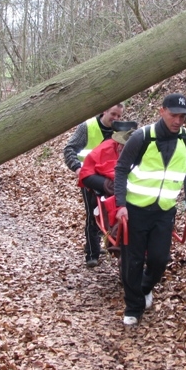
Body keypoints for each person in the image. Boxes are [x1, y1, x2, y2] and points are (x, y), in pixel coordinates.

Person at [114, 93, 186, 326]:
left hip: (164, 211)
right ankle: (133, 307)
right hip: (136, 210)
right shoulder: (142, 137)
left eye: (183, 117)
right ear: (161, 111)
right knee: (132, 260)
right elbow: (121, 170)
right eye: (174, 115)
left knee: (159, 259)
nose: (178, 121)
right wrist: (120, 205)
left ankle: (144, 287)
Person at [63, 104, 125, 268]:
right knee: (93, 214)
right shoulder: (88, 127)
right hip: (90, 177)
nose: (116, 119)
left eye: (119, 116)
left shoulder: (120, 131)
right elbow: (69, 149)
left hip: (111, 177)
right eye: (113, 114)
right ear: (104, 111)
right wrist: (78, 168)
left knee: (109, 213)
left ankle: (106, 240)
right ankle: (92, 253)